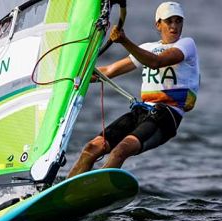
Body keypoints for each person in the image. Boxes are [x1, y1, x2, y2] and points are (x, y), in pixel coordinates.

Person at [67, 1, 199, 178]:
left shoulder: (187, 44)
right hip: (141, 112)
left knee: (121, 149)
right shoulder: (146, 48)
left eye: (178, 21)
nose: (174, 26)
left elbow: (156, 62)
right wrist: (70, 76)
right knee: (92, 148)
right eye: (169, 21)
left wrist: (124, 40)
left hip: (167, 116)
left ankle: (93, 189)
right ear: (158, 24)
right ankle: (62, 194)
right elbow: (108, 71)